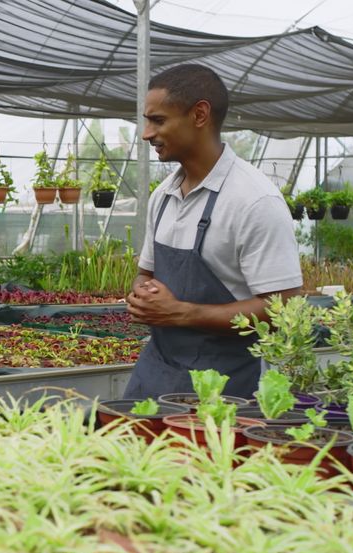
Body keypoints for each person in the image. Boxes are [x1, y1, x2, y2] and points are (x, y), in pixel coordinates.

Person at [123, 64, 302, 400]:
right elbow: (145, 271)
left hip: (230, 386)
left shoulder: (254, 201)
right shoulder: (162, 197)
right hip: (157, 373)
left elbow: (284, 308)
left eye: (157, 120)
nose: (146, 133)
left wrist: (182, 313)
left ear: (200, 115)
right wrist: (143, 296)